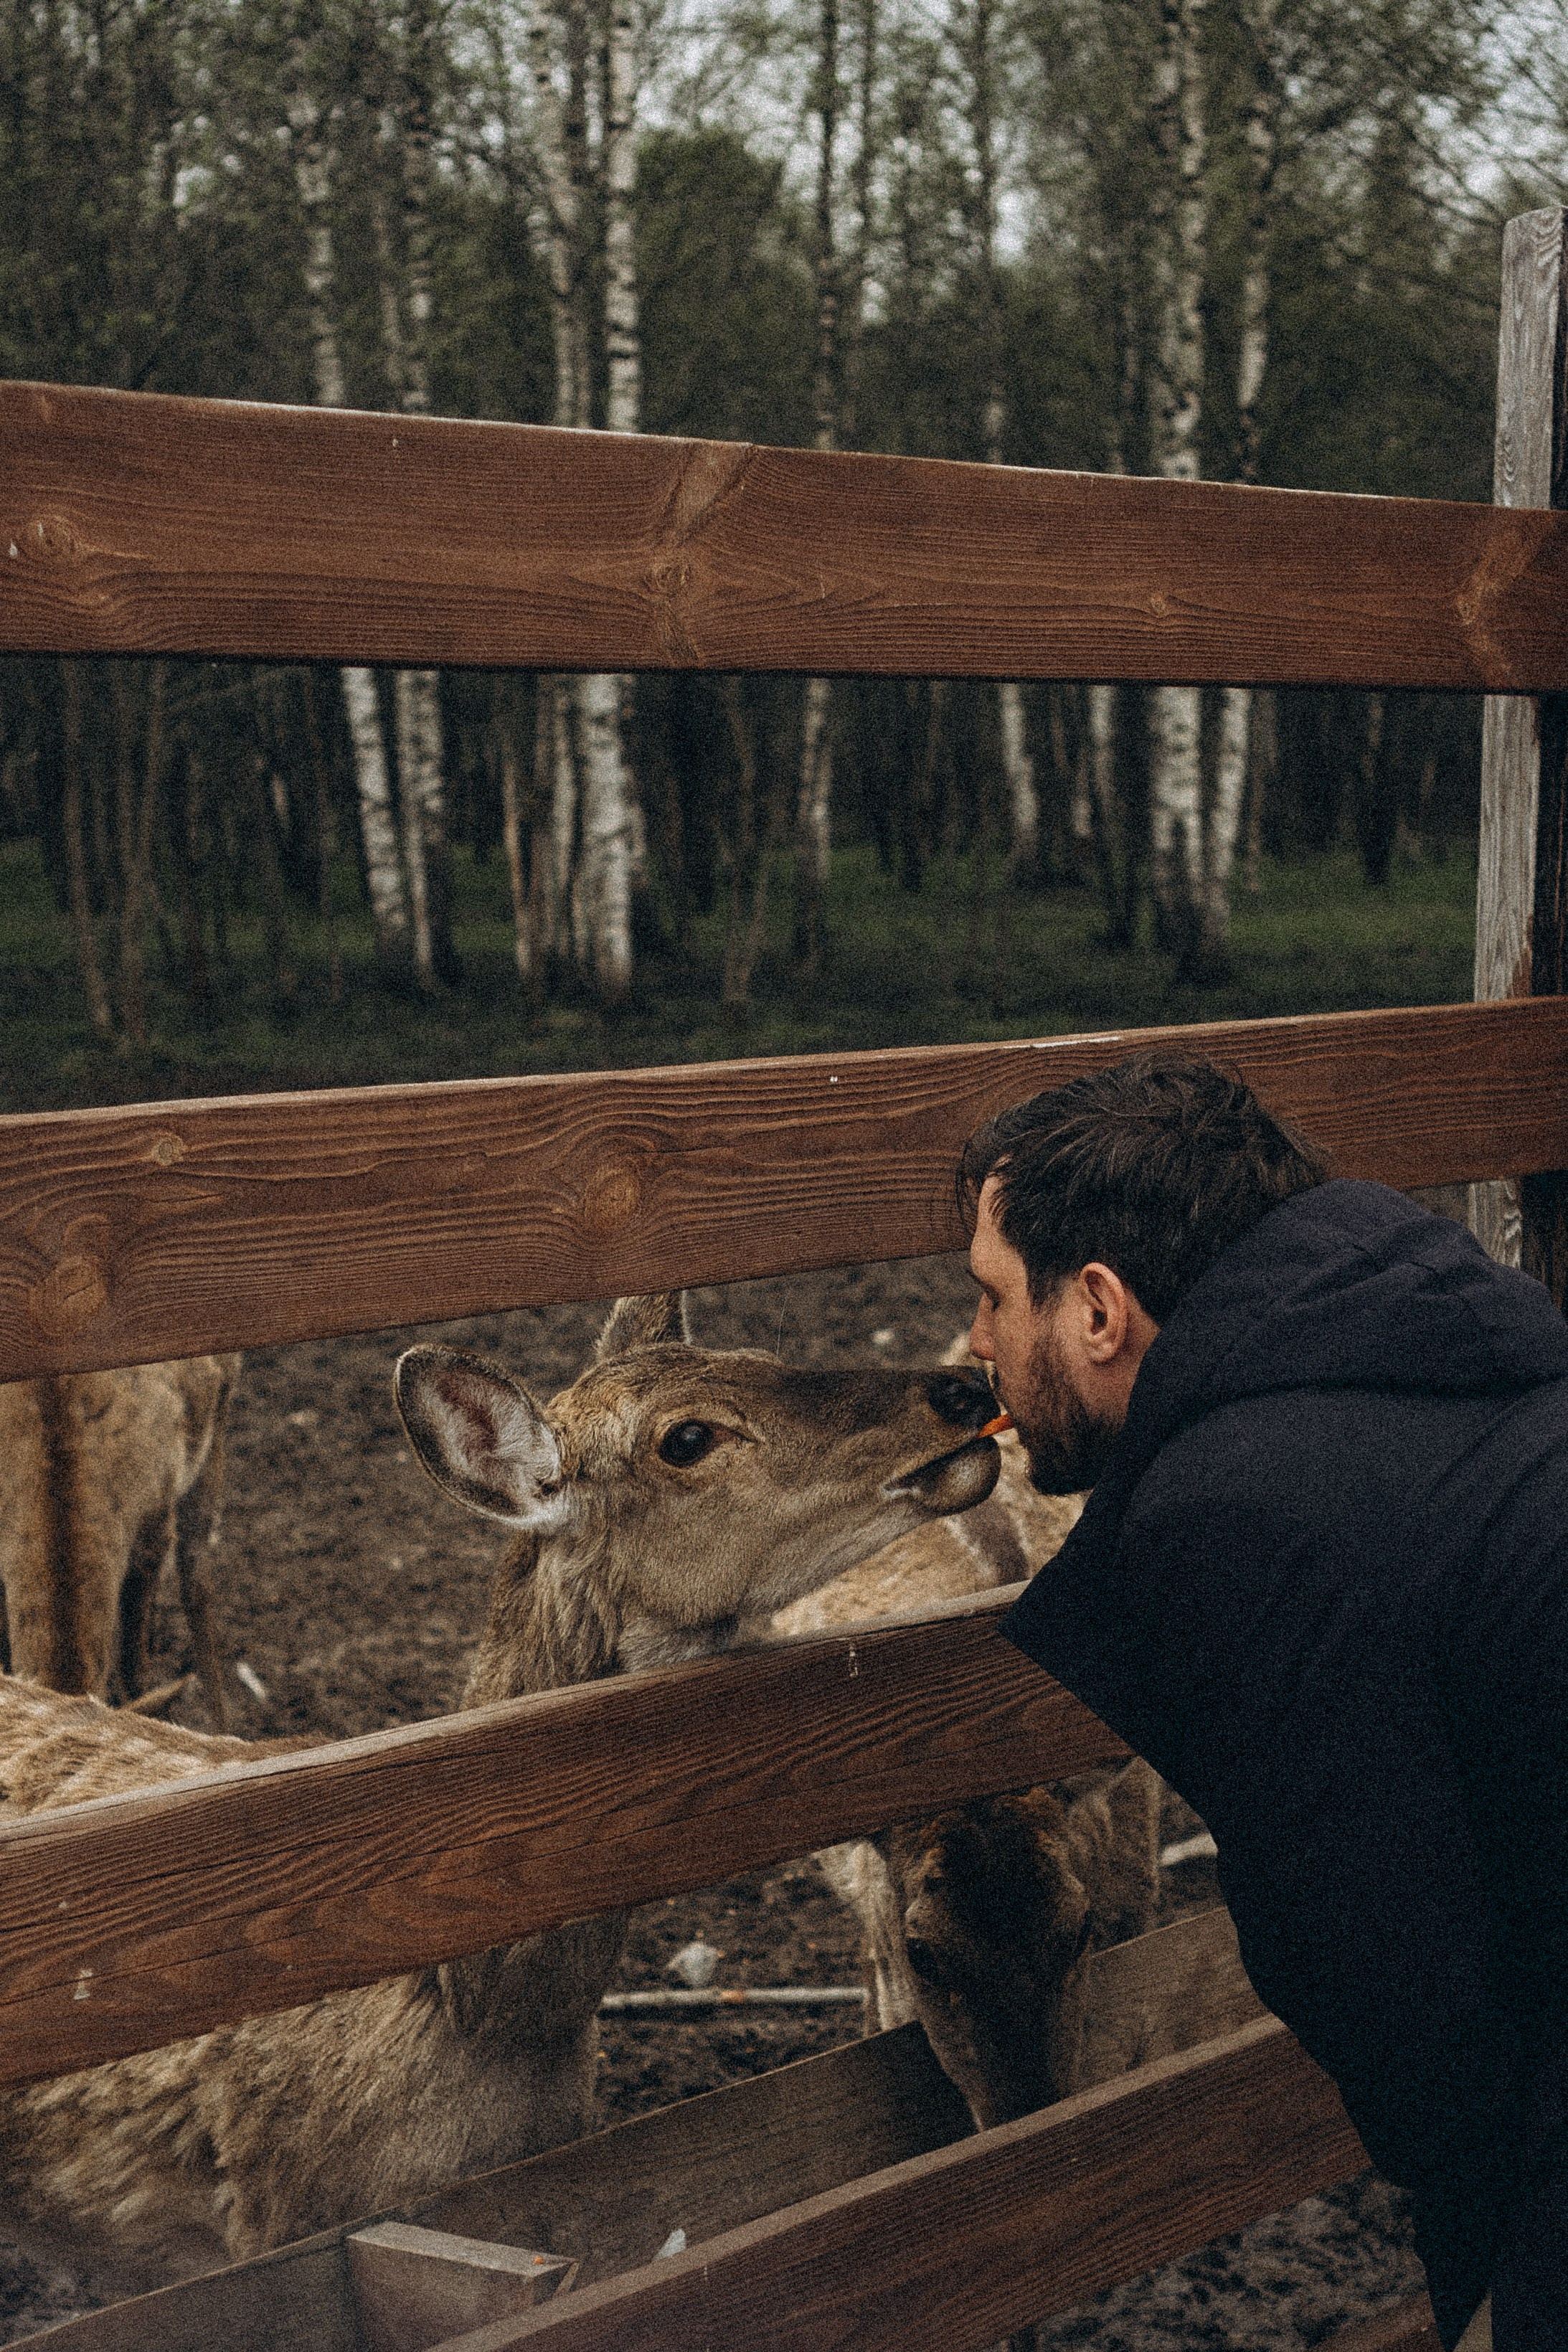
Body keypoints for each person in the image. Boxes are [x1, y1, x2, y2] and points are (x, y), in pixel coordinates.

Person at [958, 1054, 1568, 2352]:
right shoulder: (1476, 1353)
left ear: (1101, 1310)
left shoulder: (1235, 1515)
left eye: (992, 1296)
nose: (974, 1344)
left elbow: (1390, 1982)